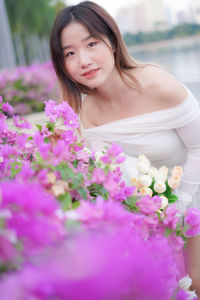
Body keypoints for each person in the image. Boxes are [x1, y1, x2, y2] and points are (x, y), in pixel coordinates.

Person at [50, 1, 200, 296]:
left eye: (91, 43)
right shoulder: (86, 113)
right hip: (154, 210)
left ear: (113, 42)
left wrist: (181, 203)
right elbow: (112, 176)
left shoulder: (158, 85)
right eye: (70, 52)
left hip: (193, 192)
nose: (84, 60)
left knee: (196, 279)